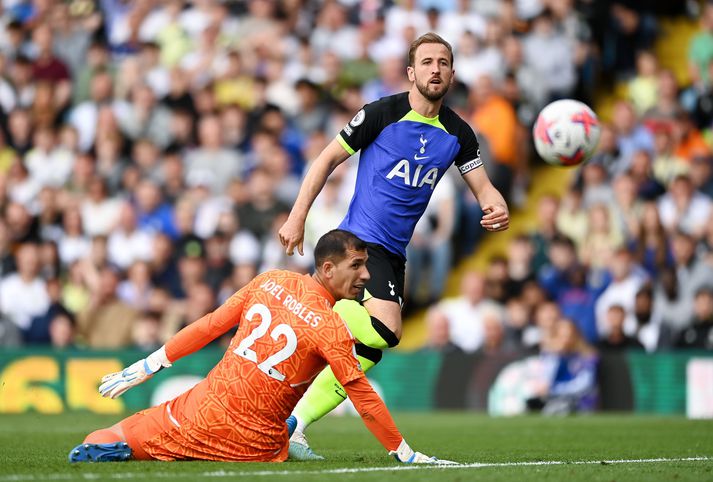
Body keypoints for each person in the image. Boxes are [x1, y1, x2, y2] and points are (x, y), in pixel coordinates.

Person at [278, 32, 509, 459]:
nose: (435, 69)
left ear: (453, 74)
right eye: (426, 62)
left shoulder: (458, 133)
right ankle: (323, 326)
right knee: (387, 329)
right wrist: (296, 217)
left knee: (369, 350)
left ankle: (294, 426)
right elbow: (326, 159)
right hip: (360, 245)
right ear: (411, 72)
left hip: (395, 253)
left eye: (443, 62)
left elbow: (484, 188)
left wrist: (497, 207)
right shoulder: (381, 114)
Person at [67, 230, 453, 465]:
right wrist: (403, 451)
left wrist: (149, 365)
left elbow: (210, 325)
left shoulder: (268, 281)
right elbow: (363, 397)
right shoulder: (331, 325)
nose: (366, 275)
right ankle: (289, 429)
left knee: (99, 439)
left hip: (198, 415)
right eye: (357, 266)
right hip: (256, 445)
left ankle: (119, 447)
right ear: (329, 268)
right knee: (279, 423)